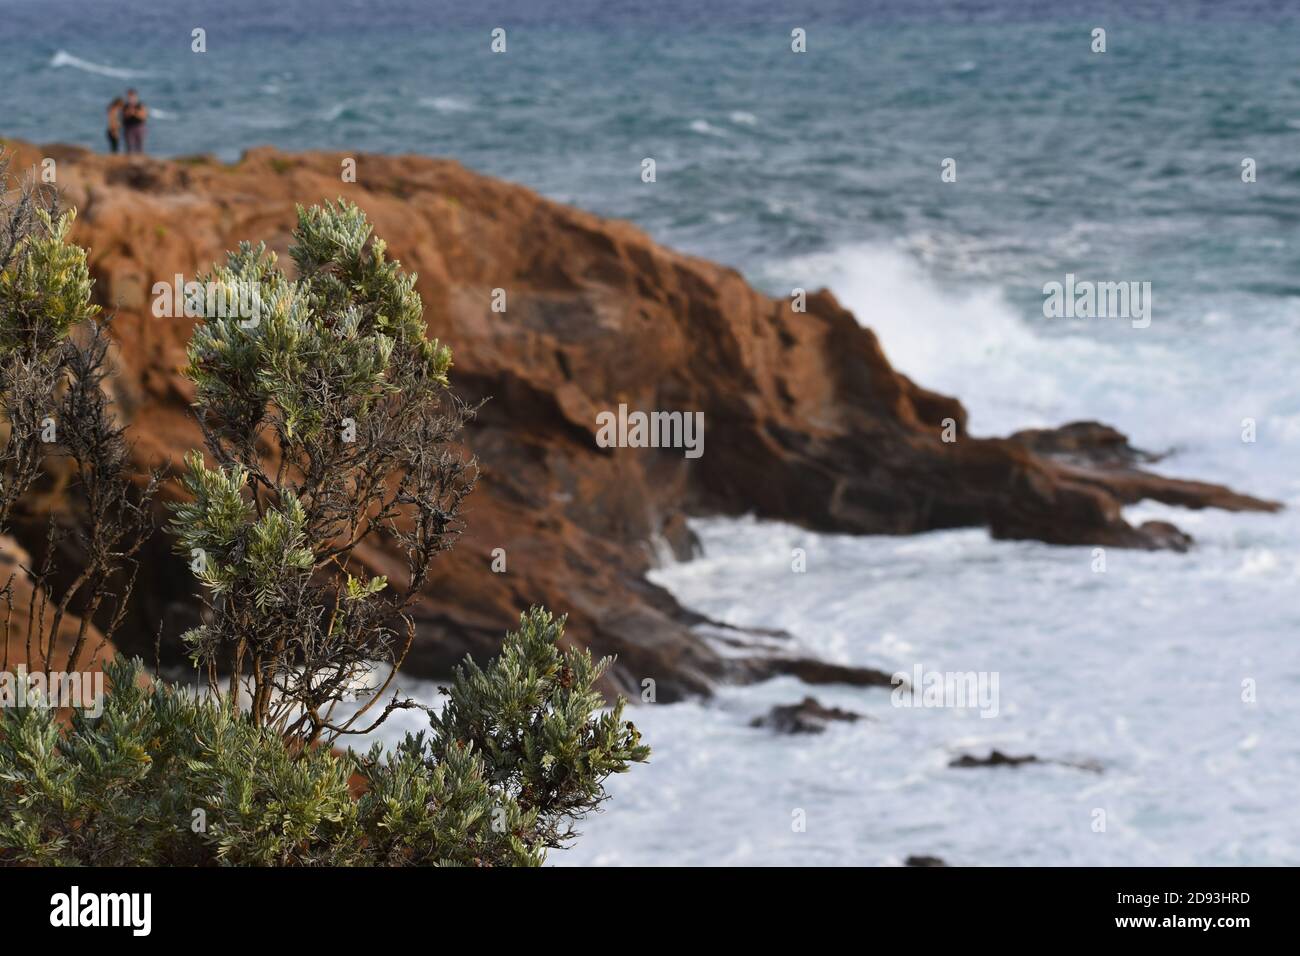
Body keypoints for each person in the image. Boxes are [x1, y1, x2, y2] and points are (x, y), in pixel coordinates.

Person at [121, 89, 148, 154]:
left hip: (139, 127)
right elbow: (123, 116)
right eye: (129, 97)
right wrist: (129, 112)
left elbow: (144, 116)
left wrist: (134, 112)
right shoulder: (126, 106)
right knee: (129, 147)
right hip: (128, 127)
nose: (130, 98)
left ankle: (140, 160)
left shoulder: (140, 105)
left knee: (140, 146)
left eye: (132, 96)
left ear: (135, 96)